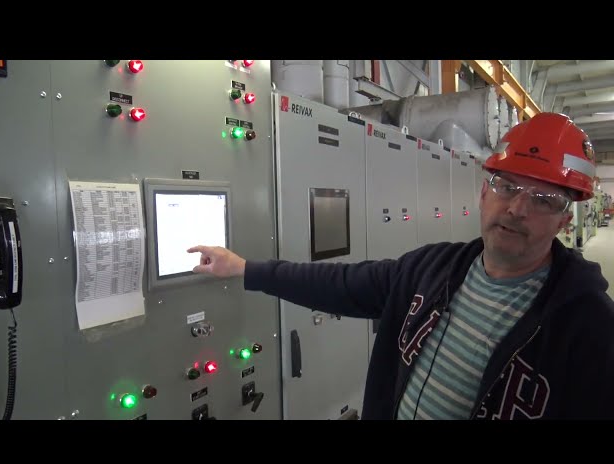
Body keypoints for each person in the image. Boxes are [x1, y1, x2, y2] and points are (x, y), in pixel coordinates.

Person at [188, 112, 614, 420]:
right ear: (484, 194)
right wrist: (245, 269)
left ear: (564, 219)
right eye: (508, 186)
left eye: (545, 199)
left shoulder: (588, 324)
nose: (518, 208)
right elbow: (336, 282)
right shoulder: (428, 270)